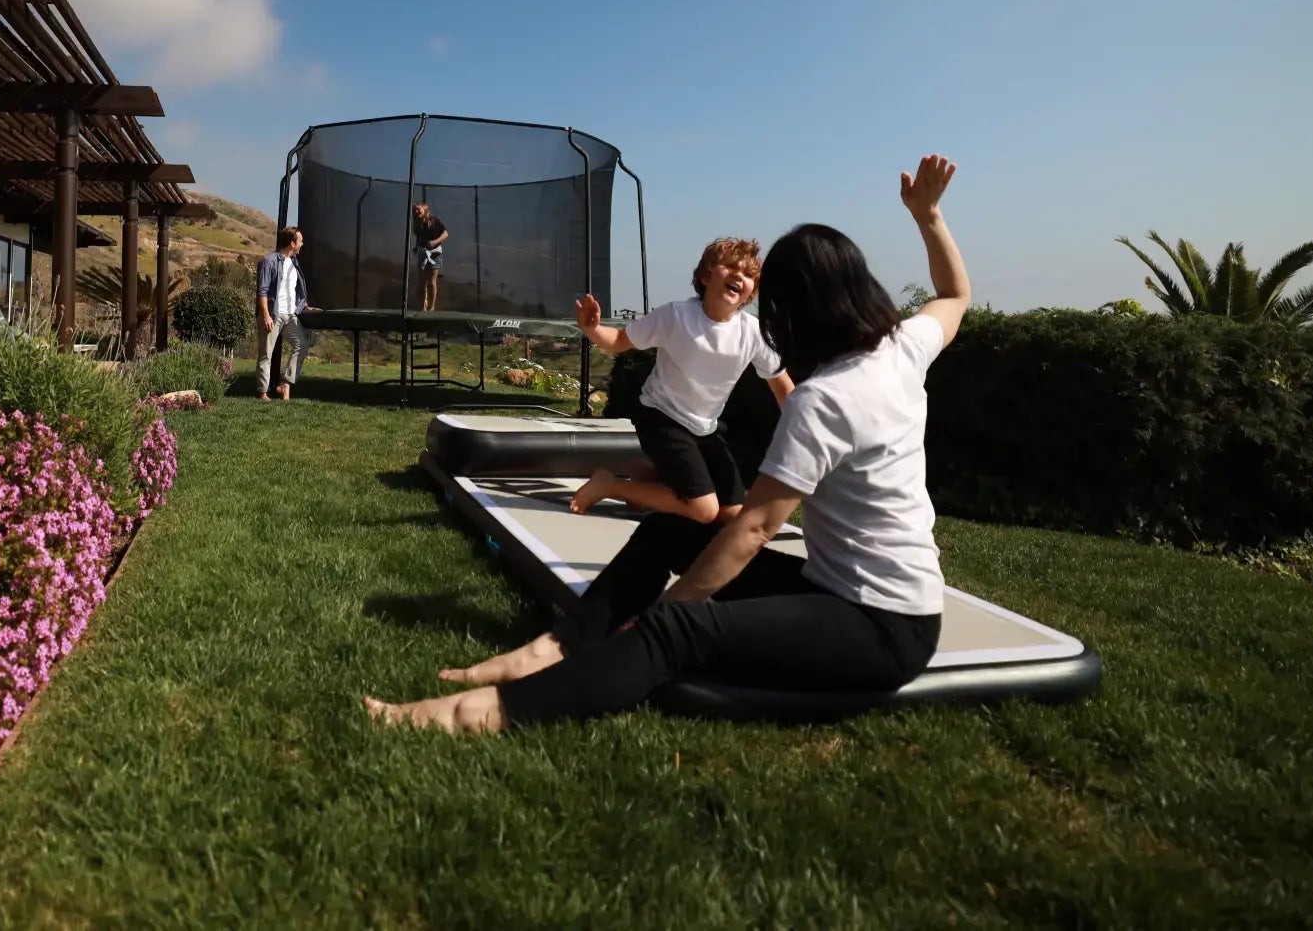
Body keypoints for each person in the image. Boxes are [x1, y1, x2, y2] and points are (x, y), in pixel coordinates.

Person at [364, 155, 968, 734]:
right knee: (671, 530)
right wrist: (929, 217)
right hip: (852, 593)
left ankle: (484, 713)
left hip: (881, 626)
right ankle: (553, 647)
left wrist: (667, 611)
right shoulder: (901, 348)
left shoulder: (826, 399)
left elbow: (754, 529)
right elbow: (953, 296)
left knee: (675, 630)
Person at [566, 237, 794, 524]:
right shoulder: (676, 316)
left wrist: (810, 430)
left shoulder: (753, 333)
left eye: (748, 275)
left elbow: (783, 387)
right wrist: (593, 328)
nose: (739, 275)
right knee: (704, 511)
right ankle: (610, 484)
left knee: (731, 513)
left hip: (704, 427)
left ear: (751, 292)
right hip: (661, 417)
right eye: (730, 267)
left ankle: (648, 476)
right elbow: (620, 341)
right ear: (705, 275)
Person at [256, 226, 312, 401]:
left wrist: (304, 305)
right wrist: (265, 314)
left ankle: (285, 383)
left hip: (290, 314)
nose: (302, 245)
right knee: (266, 353)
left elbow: (294, 289)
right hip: (273, 313)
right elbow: (262, 291)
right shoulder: (269, 261)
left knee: (301, 346)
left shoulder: (294, 263)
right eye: (300, 241)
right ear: (292, 243)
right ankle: (263, 392)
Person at [412, 203, 449, 311]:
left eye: (418, 209)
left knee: (432, 281)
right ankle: (422, 307)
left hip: (435, 252)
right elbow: (420, 237)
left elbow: (445, 234)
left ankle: (431, 307)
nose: (416, 212)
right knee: (422, 281)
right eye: (414, 210)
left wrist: (434, 242)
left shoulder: (434, 221)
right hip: (423, 252)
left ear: (425, 209)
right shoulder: (417, 223)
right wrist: (416, 246)